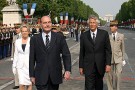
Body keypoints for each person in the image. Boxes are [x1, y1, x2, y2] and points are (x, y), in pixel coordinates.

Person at [29, 16, 71, 90]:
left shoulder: (59, 37)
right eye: (45, 23)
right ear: (41, 24)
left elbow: (66, 54)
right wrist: (32, 75)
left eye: (49, 22)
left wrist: (67, 70)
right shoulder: (34, 39)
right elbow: (31, 58)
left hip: (55, 75)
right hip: (40, 76)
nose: (47, 25)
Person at [79, 15, 112, 90]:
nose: (92, 24)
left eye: (94, 22)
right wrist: (81, 66)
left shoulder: (104, 34)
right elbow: (82, 52)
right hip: (88, 66)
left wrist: (108, 64)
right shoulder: (84, 35)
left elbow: (108, 50)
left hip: (100, 65)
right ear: (88, 24)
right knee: (88, 87)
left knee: (99, 86)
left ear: (97, 24)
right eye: (90, 22)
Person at [106, 20, 126, 90]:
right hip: (110, 59)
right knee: (109, 75)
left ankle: (117, 89)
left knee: (118, 75)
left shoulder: (121, 36)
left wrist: (123, 59)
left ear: (116, 27)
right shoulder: (108, 37)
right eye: (110, 26)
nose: (110, 27)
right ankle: (110, 88)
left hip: (118, 58)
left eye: (112, 26)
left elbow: (122, 48)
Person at [12, 25, 32, 90]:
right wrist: (14, 66)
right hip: (20, 66)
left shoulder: (32, 41)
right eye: (23, 31)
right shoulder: (17, 42)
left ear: (28, 32)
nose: (24, 32)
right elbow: (16, 54)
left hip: (29, 66)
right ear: (21, 32)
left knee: (29, 83)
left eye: (26, 31)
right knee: (22, 83)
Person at [11, 24, 21, 89]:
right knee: (15, 70)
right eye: (15, 28)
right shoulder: (14, 37)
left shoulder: (23, 36)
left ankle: (24, 82)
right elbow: (13, 47)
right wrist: (12, 56)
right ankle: (17, 83)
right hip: (16, 56)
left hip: (22, 56)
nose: (16, 29)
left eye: (17, 28)